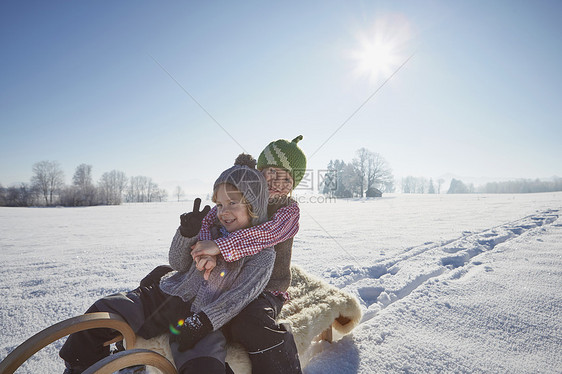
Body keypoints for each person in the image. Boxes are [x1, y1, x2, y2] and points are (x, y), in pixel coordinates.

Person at [59, 155, 275, 374]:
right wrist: (187, 234)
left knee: (205, 367)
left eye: (232, 203)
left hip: (204, 318)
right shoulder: (211, 231)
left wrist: (204, 322)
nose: (223, 211)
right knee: (101, 314)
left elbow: (238, 297)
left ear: (254, 205)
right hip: (166, 297)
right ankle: (79, 366)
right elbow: (178, 263)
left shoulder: (263, 254)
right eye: (219, 204)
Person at [191, 135, 307, 373]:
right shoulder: (242, 197)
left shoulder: (289, 211)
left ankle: (283, 364)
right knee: (208, 317)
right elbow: (210, 218)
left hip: (266, 289)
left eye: (287, 178)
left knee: (248, 323)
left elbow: (267, 234)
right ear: (259, 171)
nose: (278, 182)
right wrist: (206, 248)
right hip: (231, 281)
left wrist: (220, 246)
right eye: (272, 172)